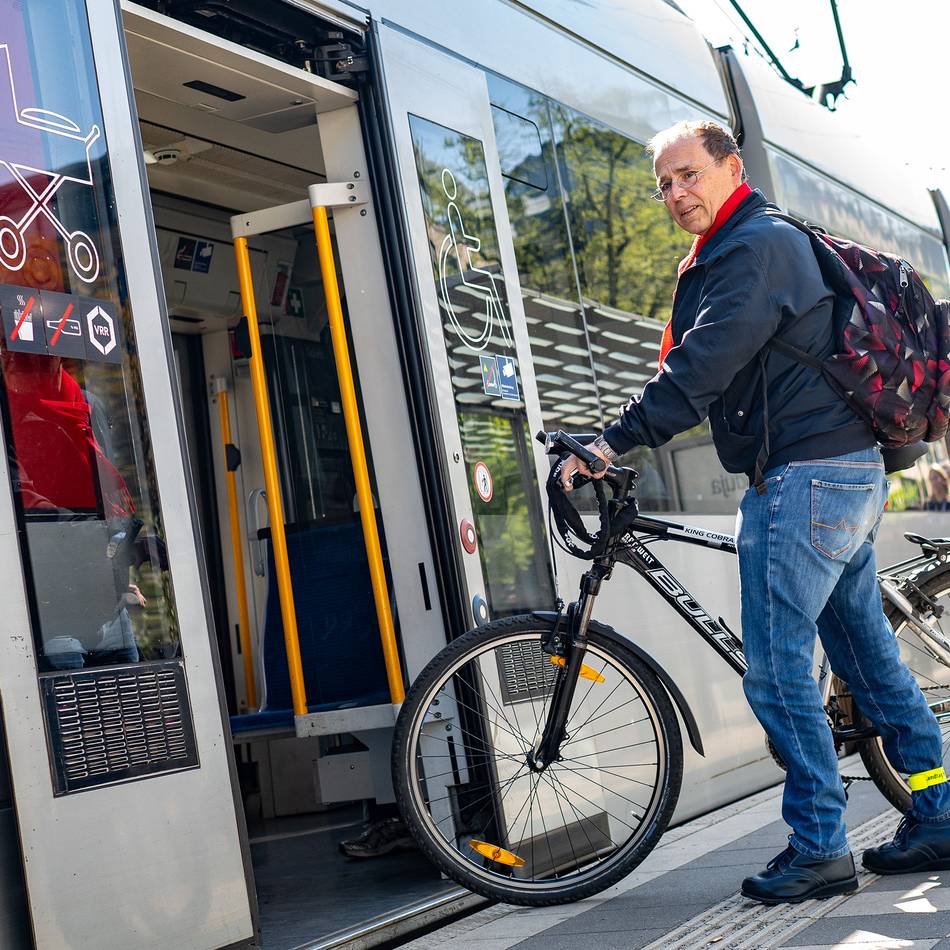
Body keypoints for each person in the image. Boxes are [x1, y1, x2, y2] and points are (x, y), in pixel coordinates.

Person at [559, 119, 950, 905]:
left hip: (806, 479)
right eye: (663, 184)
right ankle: (938, 812)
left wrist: (608, 443)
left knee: (777, 673)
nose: (675, 193)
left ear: (732, 168)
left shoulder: (754, 248)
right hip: (837, 473)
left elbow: (700, 366)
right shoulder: (746, 246)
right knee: (869, 662)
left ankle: (819, 846)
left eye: (688, 175)